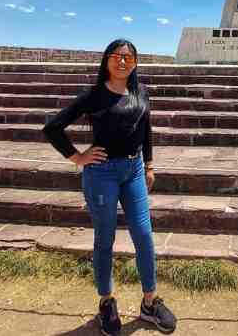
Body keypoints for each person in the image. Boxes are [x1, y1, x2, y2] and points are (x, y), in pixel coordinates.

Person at [43, 39, 177, 335]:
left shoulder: (140, 92)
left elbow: (146, 131)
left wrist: (150, 165)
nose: (122, 61)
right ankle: (106, 302)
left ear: (135, 63)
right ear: (106, 61)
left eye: (128, 57)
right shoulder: (94, 95)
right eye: (116, 56)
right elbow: (52, 128)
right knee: (105, 239)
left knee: (144, 236)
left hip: (134, 171)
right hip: (102, 173)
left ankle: (150, 302)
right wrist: (78, 157)